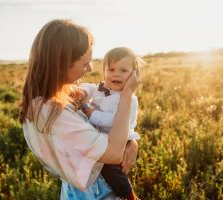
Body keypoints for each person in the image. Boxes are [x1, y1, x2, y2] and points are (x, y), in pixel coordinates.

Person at [19, 19, 140, 200]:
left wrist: (132, 142)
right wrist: (127, 94)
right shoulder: (51, 112)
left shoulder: (63, 94)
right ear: (60, 65)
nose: (91, 69)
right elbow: (114, 154)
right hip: (92, 194)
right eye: (84, 64)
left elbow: (103, 135)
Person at [77, 47, 141, 199]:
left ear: (133, 75)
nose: (116, 74)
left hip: (120, 139)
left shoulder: (129, 99)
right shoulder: (101, 88)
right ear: (104, 71)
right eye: (111, 69)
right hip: (103, 138)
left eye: (123, 70)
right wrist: (83, 92)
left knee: (110, 169)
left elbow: (116, 121)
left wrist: (92, 114)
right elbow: (90, 87)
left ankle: (129, 195)